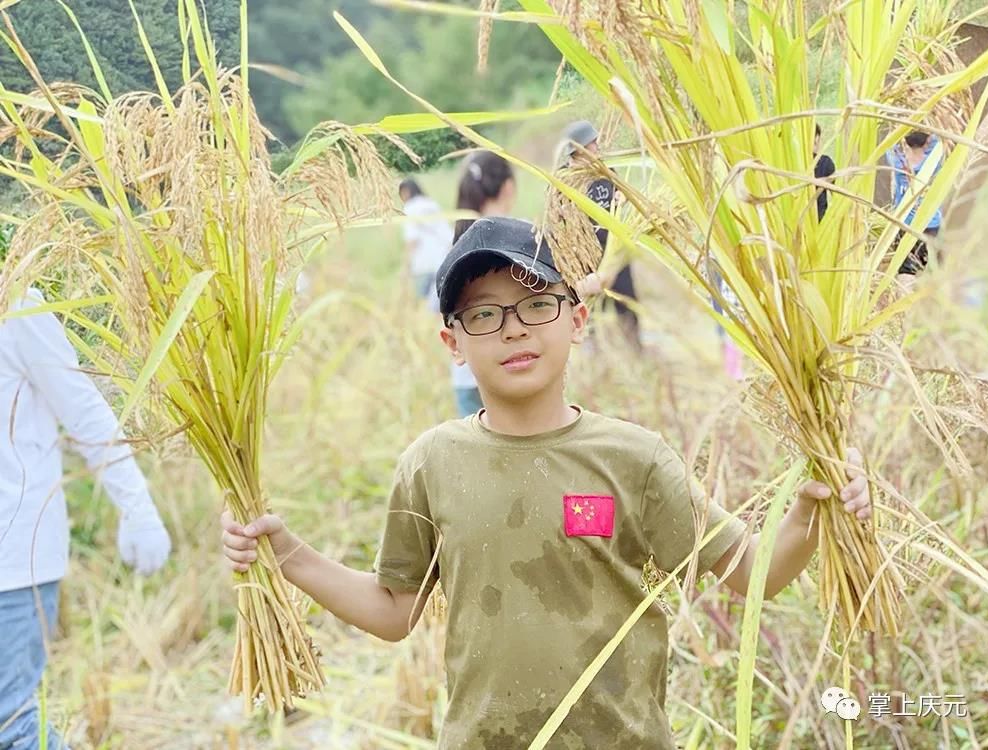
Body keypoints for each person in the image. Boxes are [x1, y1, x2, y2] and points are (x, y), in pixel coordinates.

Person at [220, 216, 874, 749]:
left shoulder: (634, 458)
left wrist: (814, 510)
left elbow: (751, 571)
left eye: (536, 303)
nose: (513, 329)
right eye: (483, 315)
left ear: (576, 320)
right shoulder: (431, 464)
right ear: (453, 345)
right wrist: (289, 554)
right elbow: (395, 612)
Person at [1, 288, 172, 749]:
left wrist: (138, 507)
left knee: (11, 727)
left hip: (12, 564)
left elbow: (86, 413)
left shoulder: (16, 303)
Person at [445, 151, 517, 417]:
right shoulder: (521, 237)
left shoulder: (452, 240)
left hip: (468, 371)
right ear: (508, 188)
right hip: (516, 367)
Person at [561, 120, 642, 352]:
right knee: (591, 312)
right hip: (586, 256)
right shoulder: (564, 179)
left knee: (628, 304)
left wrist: (622, 199)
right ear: (578, 150)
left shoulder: (605, 171)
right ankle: (594, 361)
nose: (597, 147)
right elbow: (558, 221)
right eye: (592, 144)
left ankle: (635, 351)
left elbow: (621, 193)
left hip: (613, 253)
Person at [887, 130, 943, 275]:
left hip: (904, 224)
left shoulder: (898, 162)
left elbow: (889, 143)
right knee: (932, 270)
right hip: (930, 224)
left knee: (906, 271)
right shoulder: (934, 160)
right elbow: (939, 139)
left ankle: (906, 296)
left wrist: (900, 129)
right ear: (927, 142)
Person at [399, 178, 452, 301]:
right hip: (443, 258)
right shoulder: (432, 204)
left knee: (425, 305)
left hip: (423, 263)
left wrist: (405, 267)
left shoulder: (410, 208)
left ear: (405, 192)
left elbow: (412, 240)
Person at [814, 124, 836, 221]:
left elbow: (836, 195)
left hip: (820, 224)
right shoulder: (826, 162)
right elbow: (837, 196)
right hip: (819, 224)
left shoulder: (825, 163)